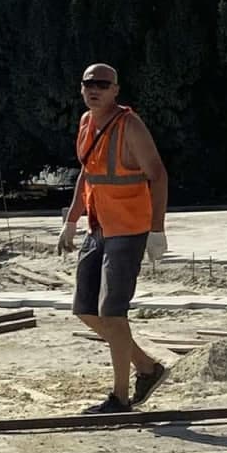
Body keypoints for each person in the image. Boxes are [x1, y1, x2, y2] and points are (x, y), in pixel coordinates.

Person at [57, 63, 170, 414]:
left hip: (128, 229)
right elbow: (87, 174)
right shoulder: (86, 122)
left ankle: (120, 397)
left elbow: (158, 175)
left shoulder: (130, 125)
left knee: (113, 313)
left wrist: (156, 230)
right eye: (89, 83)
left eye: (103, 84)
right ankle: (148, 368)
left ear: (115, 90)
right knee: (86, 310)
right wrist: (71, 220)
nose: (95, 89)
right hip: (98, 227)